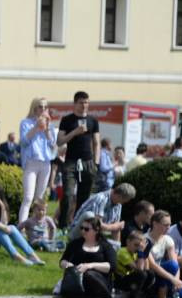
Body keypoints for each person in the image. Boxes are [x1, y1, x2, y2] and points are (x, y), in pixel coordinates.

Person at [58, 214, 119, 298]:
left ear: (96, 230)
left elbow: (112, 266)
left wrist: (90, 265)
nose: (82, 231)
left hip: (100, 283)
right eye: (81, 228)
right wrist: (66, 264)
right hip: (78, 281)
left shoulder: (105, 246)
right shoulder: (75, 244)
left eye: (86, 229)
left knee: (88, 274)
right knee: (66, 293)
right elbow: (63, 260)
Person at [57, 91, 101, 228]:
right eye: (81, 102)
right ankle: (63, 225)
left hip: (88, 161)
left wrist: (96, 162)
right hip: (71, 161)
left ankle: (77, 224)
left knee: (84, 197)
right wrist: (75, 132)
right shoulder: (67, 120)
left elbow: (96, 142)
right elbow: (59, 141)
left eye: (86, 102)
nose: (84, 105)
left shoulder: (93, 120)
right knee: (68, 194)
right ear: (75, 104)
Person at [0, 184, 45, 265]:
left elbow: (4, 223)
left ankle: (32, 255)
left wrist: (2, 207)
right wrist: (2, 226)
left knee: (12, 227)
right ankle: (15, 256)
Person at [18, 97, 57, 223]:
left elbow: (52, 145)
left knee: (39, 198)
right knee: (28, 197)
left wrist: (46, 129)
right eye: (40, 106)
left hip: (45, 163)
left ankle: (36, 226)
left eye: (46, 107)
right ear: (34, 108)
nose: (43, 109)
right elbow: (23, 142)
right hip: (31, 162)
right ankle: (22, 226)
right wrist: (36, 127)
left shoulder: (50, 125)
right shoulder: (26, 123)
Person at [70, 183, 135, 241]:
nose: (124, 203)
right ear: (119, 196)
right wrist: (115, 226)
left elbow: (116, 227)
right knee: (89, 215)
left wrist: (117, 244)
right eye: (125, 201)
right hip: (79, 232)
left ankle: (115, 249)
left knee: (116, 231)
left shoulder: (118, 205)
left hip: (97, 234)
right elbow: (97, 224)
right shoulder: (101, 198)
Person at [114, 231, 155, 298]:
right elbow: (139, 270)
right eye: (136, 245)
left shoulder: (135, 253)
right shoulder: (122, 252)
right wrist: (140, 252)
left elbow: (145, 269)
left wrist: (145, 254)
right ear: (128, 242)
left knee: (150, 274)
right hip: (118, 280)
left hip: (129, 279)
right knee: (141, 274)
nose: (137, 248)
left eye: (140, 246)